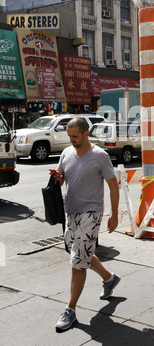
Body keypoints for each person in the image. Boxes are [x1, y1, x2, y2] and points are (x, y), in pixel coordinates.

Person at [51, 117, 120, 332]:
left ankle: (70, 310)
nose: (72, 140)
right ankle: (109, 279)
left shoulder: (100, 156)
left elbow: (113, 185)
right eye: (69, 136)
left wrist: (114, 215)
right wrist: (57, 177)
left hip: (92, 212)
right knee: (81, 253)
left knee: (78, 260)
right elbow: (62, 178)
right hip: (71, 211)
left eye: (75, 136)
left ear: (86, 133)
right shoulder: (66, 153)